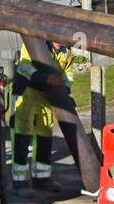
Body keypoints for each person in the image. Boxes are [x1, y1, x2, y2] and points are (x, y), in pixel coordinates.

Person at [9, 41, 78, 195]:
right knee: (21, 139)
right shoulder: (35, 42)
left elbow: (68, 73)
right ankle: (20, 184)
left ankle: (42, 180)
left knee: (44, 138)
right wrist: (45, 79)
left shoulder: (66, 51)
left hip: (46, 97)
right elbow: (24, 66)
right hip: (26, 93)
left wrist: (65, 91)